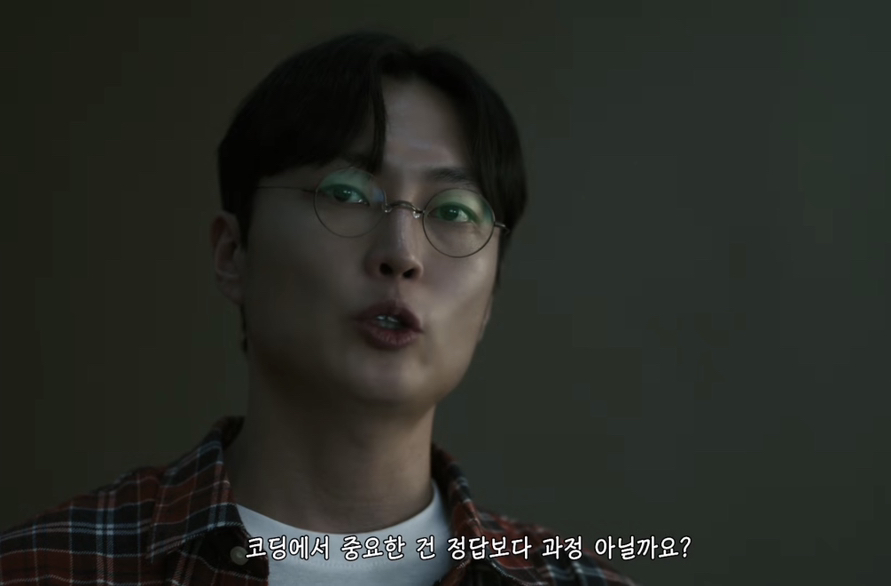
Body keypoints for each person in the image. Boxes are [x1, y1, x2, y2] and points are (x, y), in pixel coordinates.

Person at [0, 31, 637, 586]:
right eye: (346, 194)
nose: (401, 254)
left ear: (491, 296)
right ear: (233, 253)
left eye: (453, 211)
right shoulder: (49, 569)